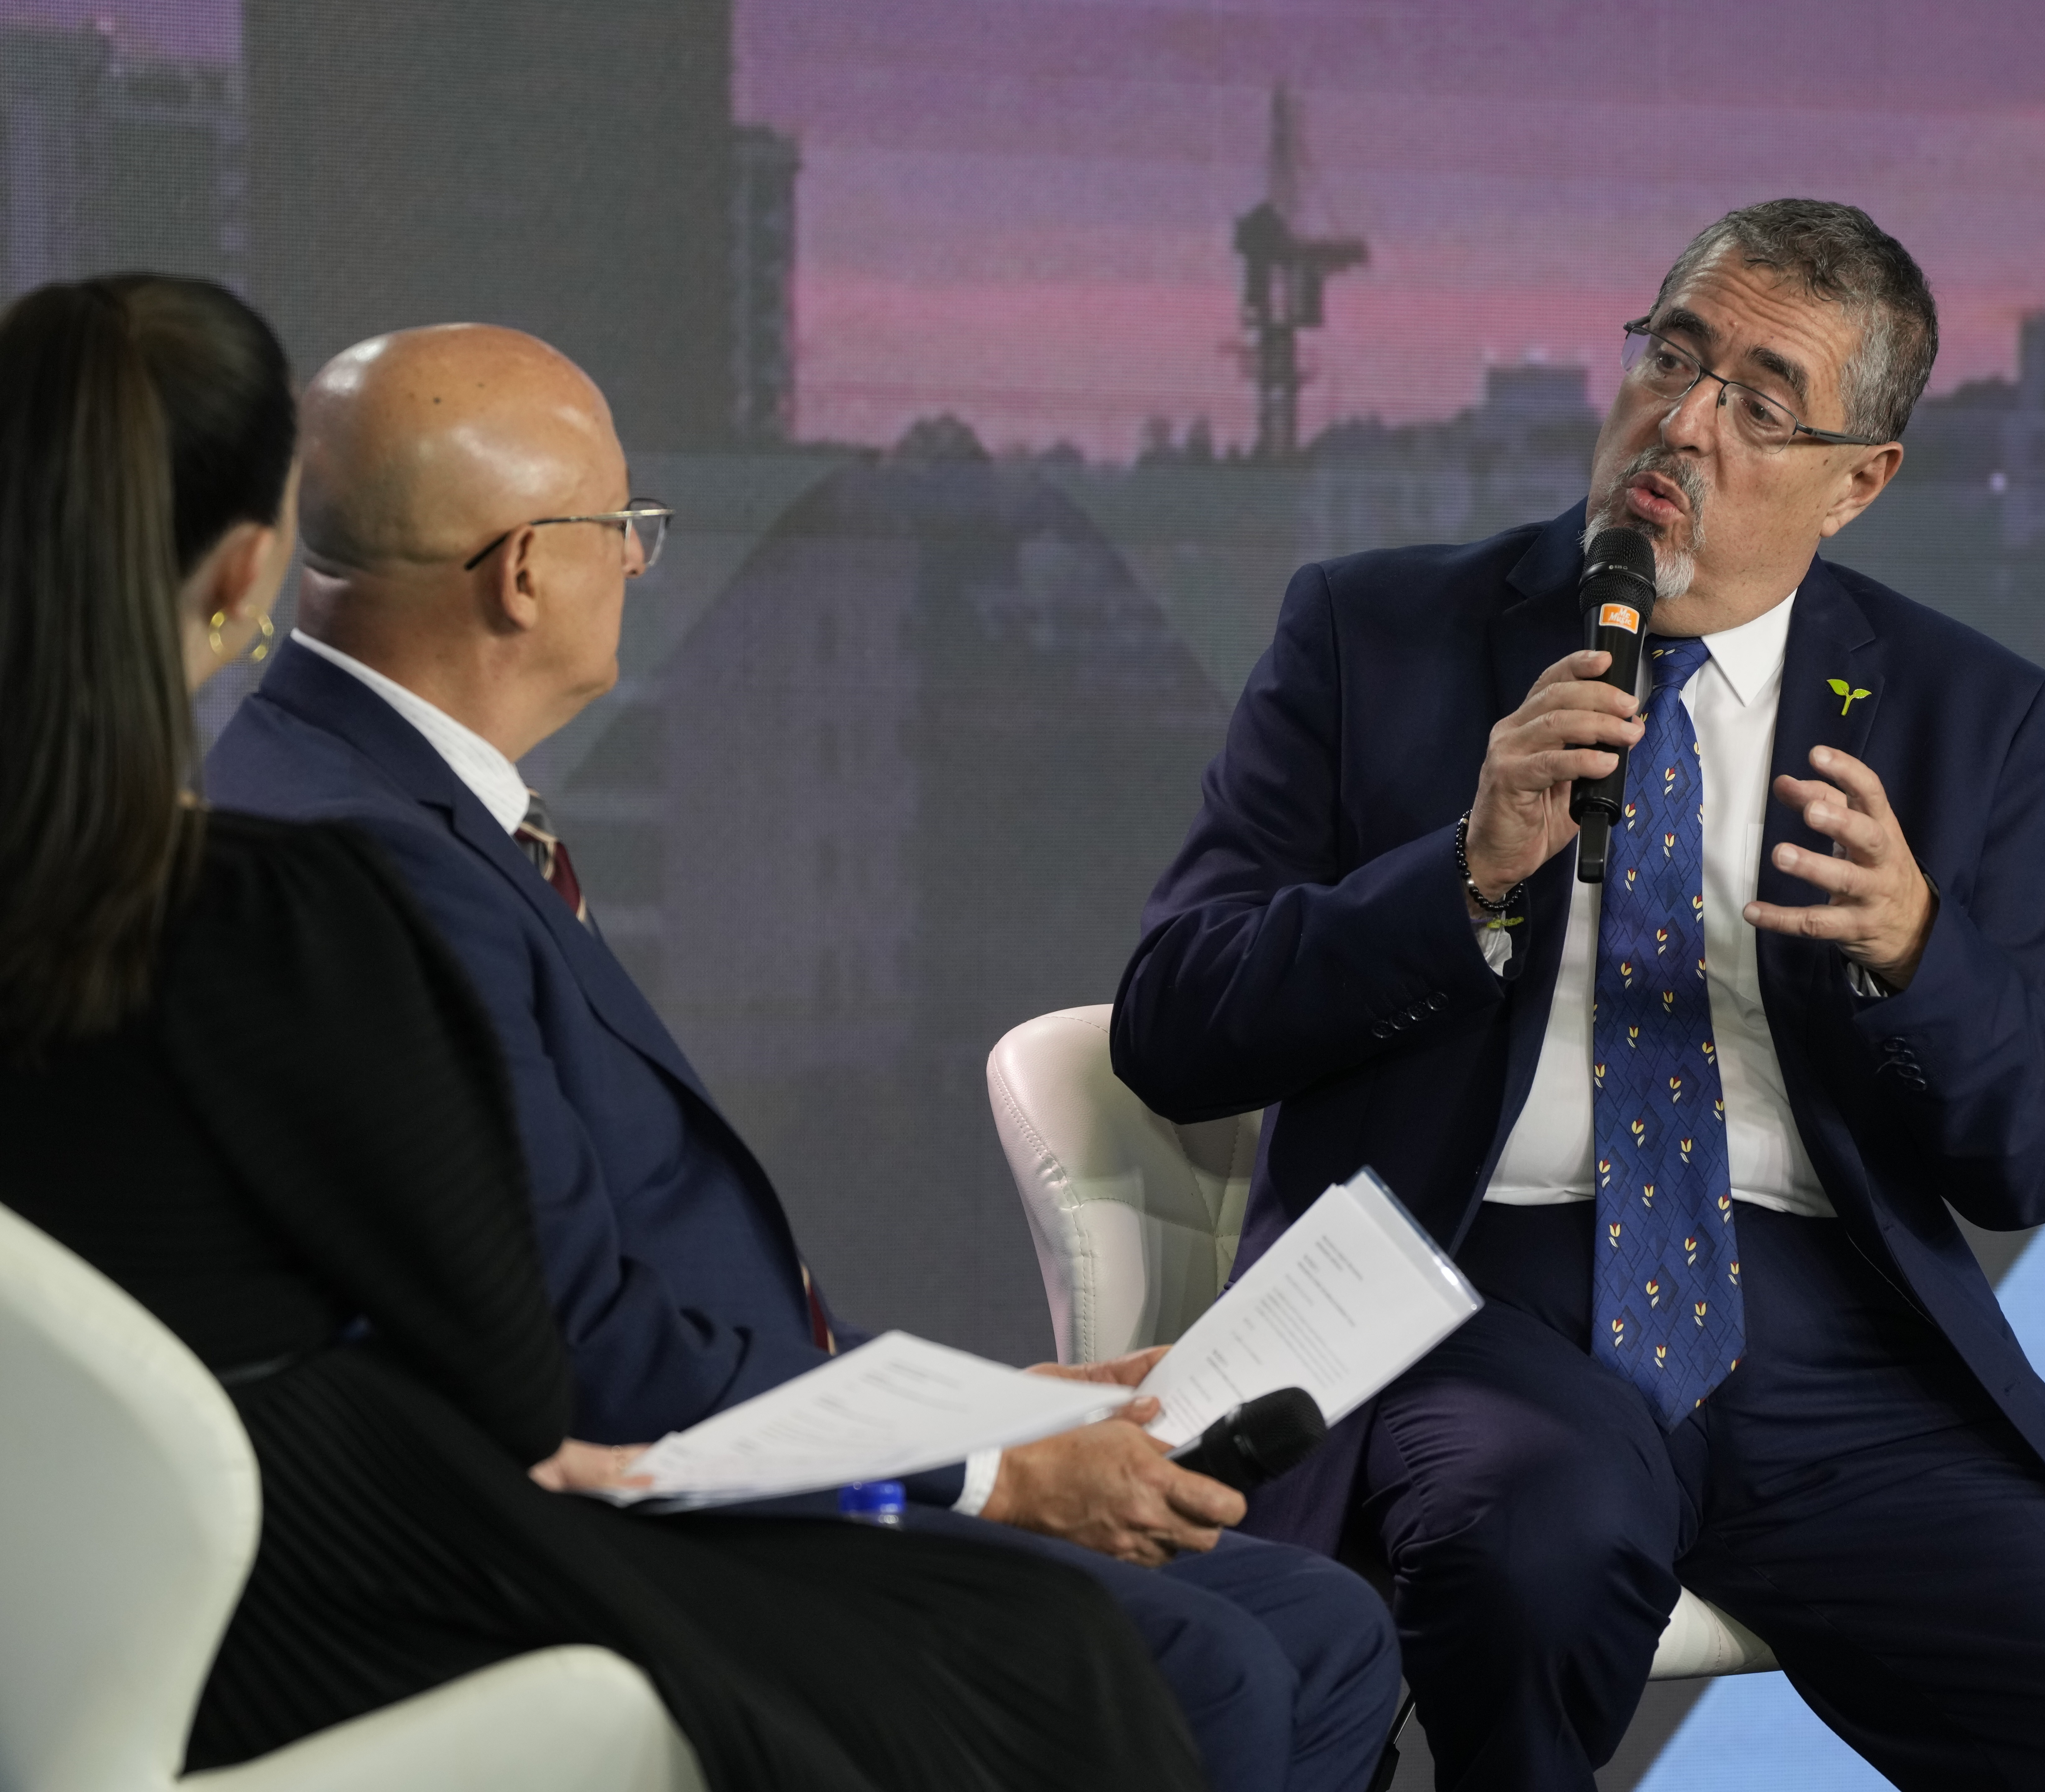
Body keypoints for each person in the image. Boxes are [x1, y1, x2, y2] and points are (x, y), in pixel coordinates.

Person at [1112, 199, 2045, 1790]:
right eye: (1674, 354)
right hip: (1472, 1291)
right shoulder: (1377, 636)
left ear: (1858, 480)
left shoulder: (1967, 714)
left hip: (1829, 1334)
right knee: (1538, 1542)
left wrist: (1923, 951)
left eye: (1759, 398)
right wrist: (1459, 873)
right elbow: (1174, 1024)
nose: (1686, 420)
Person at [0, 276, 1203, 1792]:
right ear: (251, 567)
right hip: (297, 1585)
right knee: (1048, 1663)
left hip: (61, 1609)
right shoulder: (283, 913)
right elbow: (527, 1374)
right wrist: (976, 1447)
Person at [205, 321, 1399, 1792]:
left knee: (1326, 1627)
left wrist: (997, 1414)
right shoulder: (369, 871)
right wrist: (990, 1467)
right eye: (623, 528)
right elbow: (578, 1357)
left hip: (719, 1468)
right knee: (1209, 1668)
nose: (641, 563)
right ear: (523, 570)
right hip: (604, 1535)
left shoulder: (362, 802)